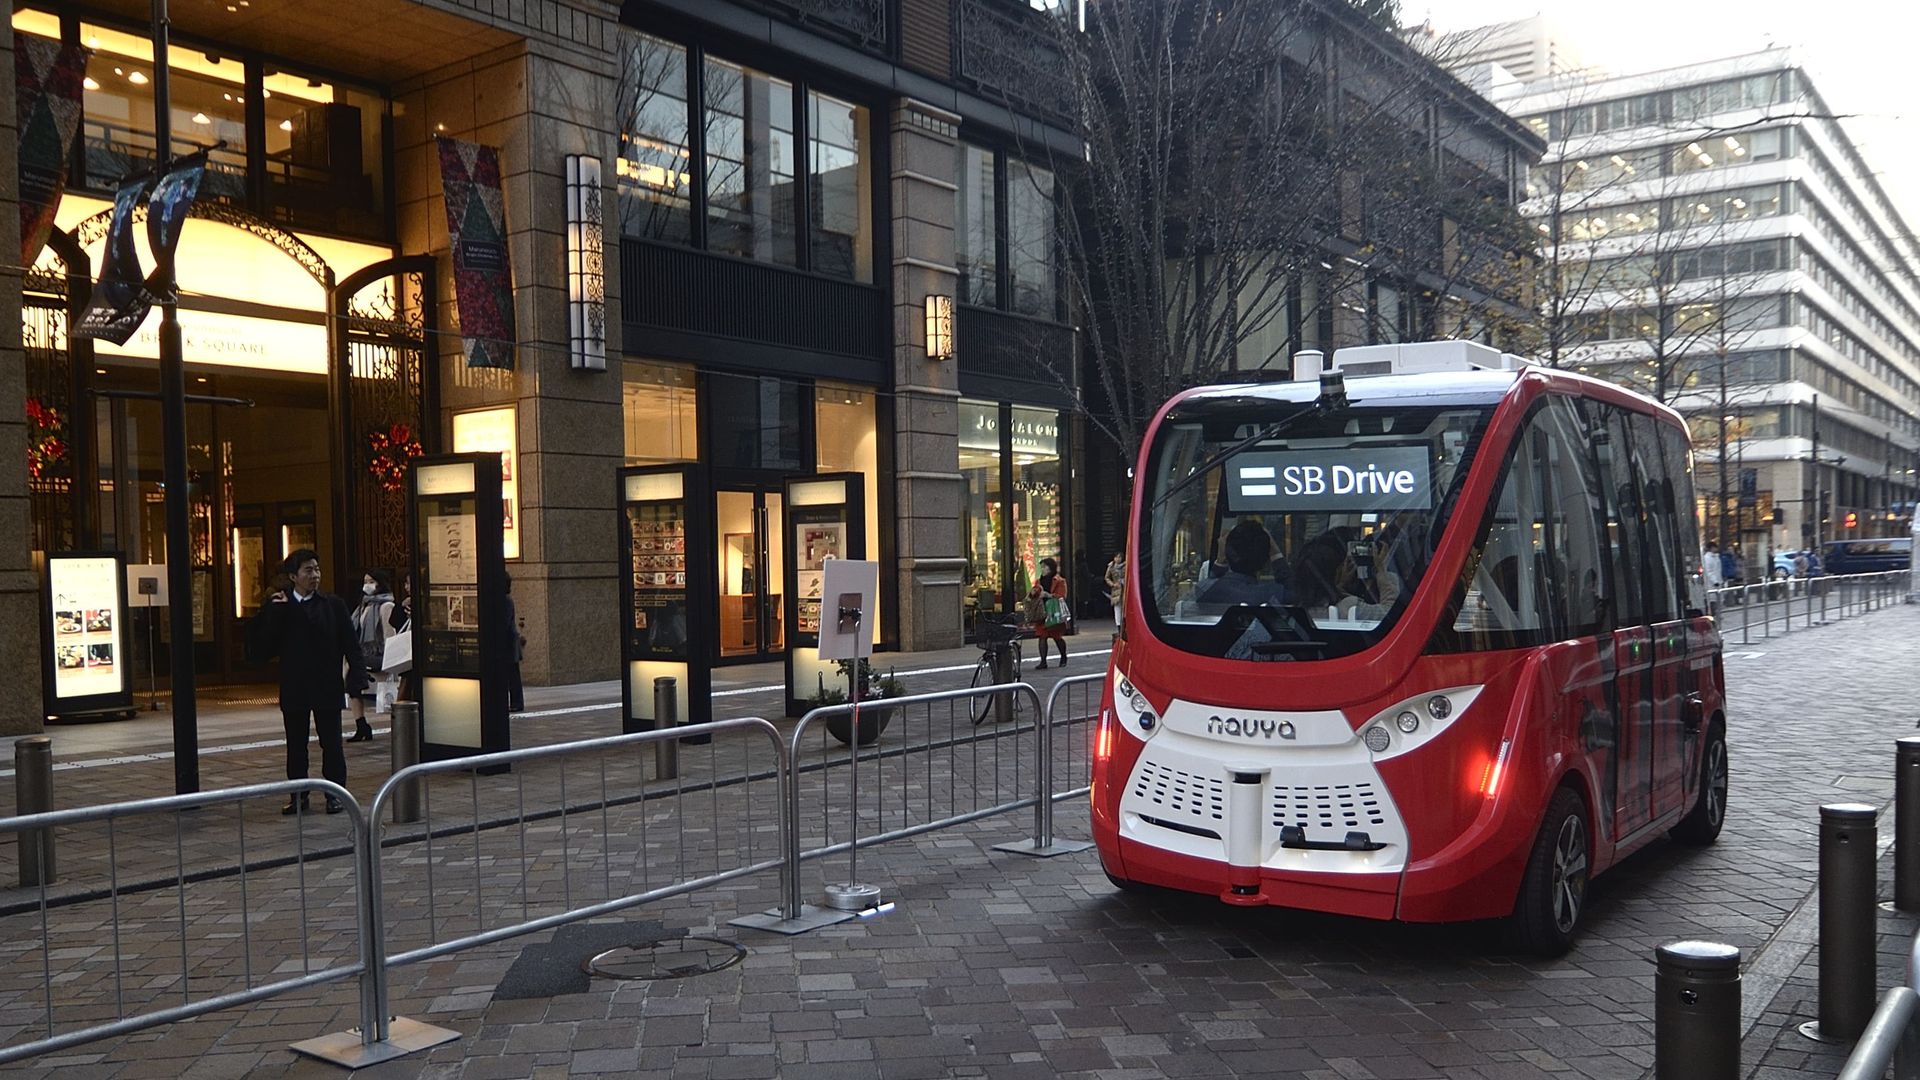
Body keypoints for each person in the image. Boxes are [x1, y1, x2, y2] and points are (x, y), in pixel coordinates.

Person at [244, 549, 366, 816]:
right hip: (295, 685)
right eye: (308, 571)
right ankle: (299, 796)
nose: (315, 576)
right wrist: (274, 612)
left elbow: (350, 644)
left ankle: (335, 794)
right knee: (296, 745)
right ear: (293, 577)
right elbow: (262, 648)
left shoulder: (333, 605)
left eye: (317, 570)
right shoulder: (280, 606)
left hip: (327, 684)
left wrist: (357, 675)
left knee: (331, 743)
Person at [348, 569, 399, 742]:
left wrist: (390, 660)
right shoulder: (364, 605)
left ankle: (397, 727)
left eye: (371, 581)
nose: (367, 585)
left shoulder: (386, 606)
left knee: (387, 696)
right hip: (362, 655)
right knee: (354, 688)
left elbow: (389, 634)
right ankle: (361, 725)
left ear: (380, 583)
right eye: (365, 581)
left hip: (378, 655)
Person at [1197, 521, 1288, 608]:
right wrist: (1275, 552)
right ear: (1266, 561)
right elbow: (1293, 590)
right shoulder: (1275, 593)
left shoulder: (1204, 590)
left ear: (1226, 552)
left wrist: (1221, 559)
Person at [1024, 557, 1070, 669]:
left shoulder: (1059, 581)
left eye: (1045, 567)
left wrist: (1049, 595)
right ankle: (1043, 661)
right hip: (1042, 612)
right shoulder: (1039, 581)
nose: (1043, 569)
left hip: (1054, 612)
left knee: (1057, 636)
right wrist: (1033, 593)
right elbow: (1034, 594)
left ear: (1051, 568)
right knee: (1042, 636)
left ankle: (1063, 656)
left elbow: (1062, 596)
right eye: (1042, 567)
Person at [388, 571, 417, 706]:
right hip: (407, 648)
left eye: (409, 583)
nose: (407, 587)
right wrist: (401, 607)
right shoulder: (405, 603)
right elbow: (394, 621)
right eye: (406, 583)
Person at [500, 572, 525, 713]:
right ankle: (516, 702)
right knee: (512, 674)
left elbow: (505, 623)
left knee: (512, 675)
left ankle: (516, 702)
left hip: (508, 642)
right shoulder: (506, 600)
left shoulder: (505, 601)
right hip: (509, 641)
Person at [1104, 547, 1127, 630]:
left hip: (1124, 588)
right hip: (1116, 590)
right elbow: (1107, 578)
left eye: (1120, 557)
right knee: (1117, 607)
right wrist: (1112, 584)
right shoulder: (1111, 567)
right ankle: (1118, 625)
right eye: (1116, 557)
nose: (1118, 559)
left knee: (1125, 607)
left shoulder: (1126, 565)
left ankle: (1125, 624)